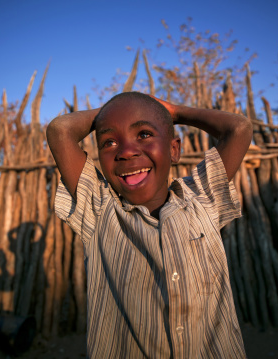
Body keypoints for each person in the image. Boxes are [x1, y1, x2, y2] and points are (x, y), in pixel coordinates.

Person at [47, 91, 253, 358]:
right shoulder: (99, 211)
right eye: (109, 142)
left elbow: (239, 128)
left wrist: (174, 111)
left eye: (143, 134)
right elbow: (59, 130)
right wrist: (115, 109)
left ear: (174, 149)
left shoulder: (202, 199)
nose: (126, 151)